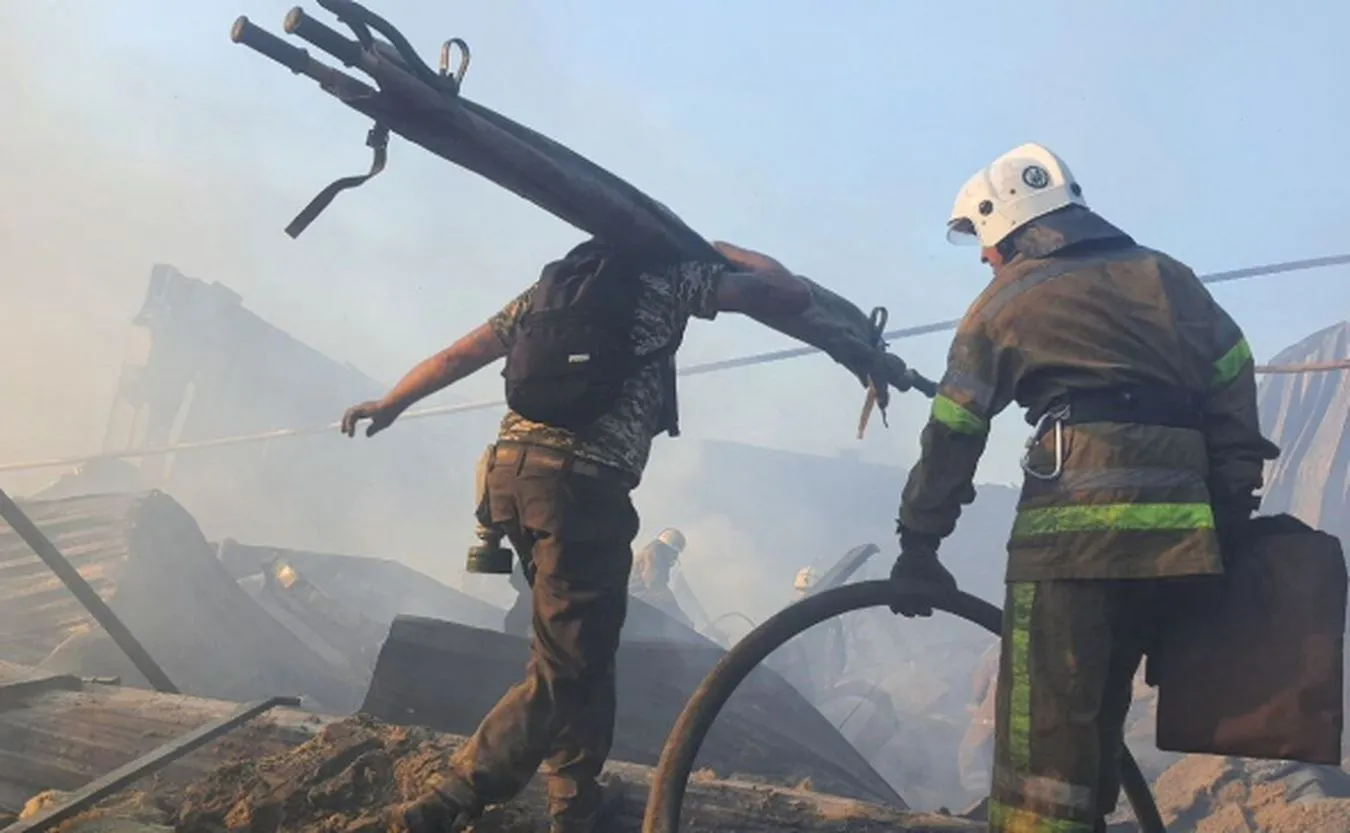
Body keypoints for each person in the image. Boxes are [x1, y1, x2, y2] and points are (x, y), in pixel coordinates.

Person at [340, 237, 812, 833]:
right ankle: (448, 800)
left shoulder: (550, 293)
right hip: (579, 492)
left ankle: (574, 799)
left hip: (508, 478)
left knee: (581, 645)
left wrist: (391, 403)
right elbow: (790, 294)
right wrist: (721, 249)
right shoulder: (671, 275)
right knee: (567, 662)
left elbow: (459, 355)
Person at [888, 142, 1279, 833]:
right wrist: (1227, 506)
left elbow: (954, 427)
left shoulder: (1006, 299)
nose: (984, 257)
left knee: (1041, 744)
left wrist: (920, 539)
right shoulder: (1170, 278)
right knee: (1096, 721)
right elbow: (1234, 374)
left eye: (985, 241)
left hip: (1073, 540)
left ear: (1009, 227)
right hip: (1179, 550)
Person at [628, 527, 694, 628]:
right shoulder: (653, 556)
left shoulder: (652, 554)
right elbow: (656, 588)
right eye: (674, 553)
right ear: (667, 549)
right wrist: (681, 618)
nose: (675, 557)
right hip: (636, 601)